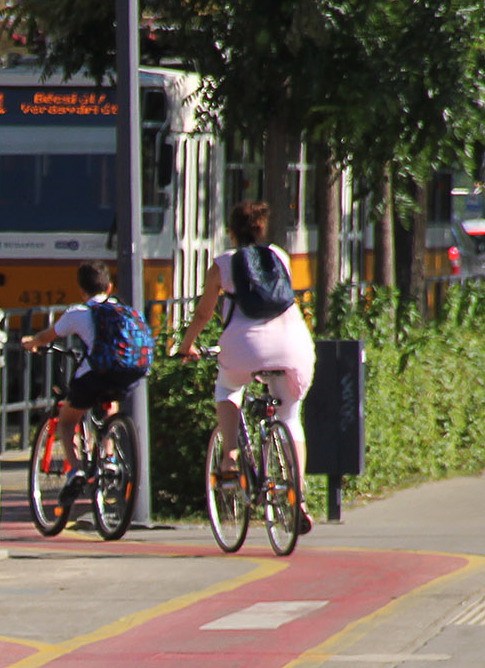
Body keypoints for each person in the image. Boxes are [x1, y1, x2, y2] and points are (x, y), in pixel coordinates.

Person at [177, 200, 316, 532]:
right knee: (290, 415)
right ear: (261, 229)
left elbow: (203, 314)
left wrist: (186, 346)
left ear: (230, 232)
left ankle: (231, 453)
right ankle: (298, 494)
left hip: (244, 343)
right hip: (292, 342)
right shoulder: (279, 257)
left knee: (228, 386)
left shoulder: (222, 264)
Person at [18, 261, 151, 467]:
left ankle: (77, 471)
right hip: (130, 372)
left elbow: (47, 336)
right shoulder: (123, 311)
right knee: (110, 402)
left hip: (96, 373)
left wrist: (32, 342)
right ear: (109, 287)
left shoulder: (78, 313)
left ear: (81, 290)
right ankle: (109, 457)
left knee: (67, 420)